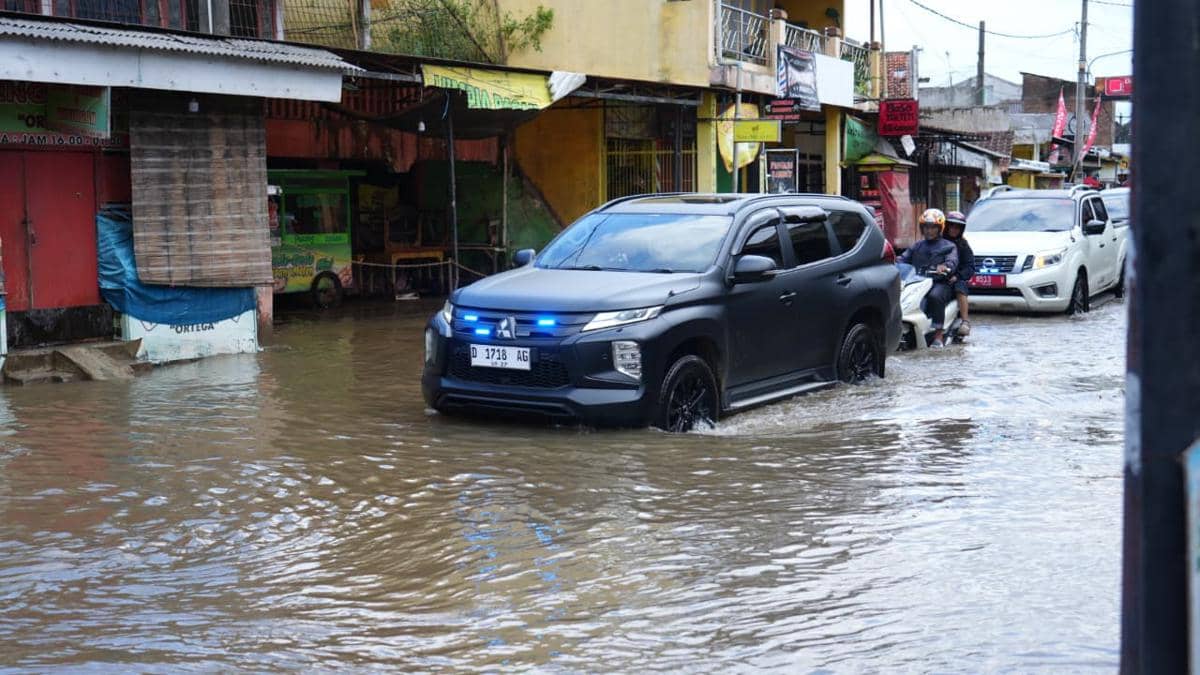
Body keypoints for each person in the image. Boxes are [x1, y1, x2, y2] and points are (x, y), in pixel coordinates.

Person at [898, 208, 959, 348]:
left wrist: (945, 266)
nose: (928, 231)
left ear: (939, 228)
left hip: (939, 283)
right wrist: (892, 262)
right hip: (918, 282)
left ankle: (938, 334)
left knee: (935, 296)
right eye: (926, 227)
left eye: (932, 227)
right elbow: (904, 258)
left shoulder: (949, 246)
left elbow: (952, 261)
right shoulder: (917, 245)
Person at [943, 210, 974, 337]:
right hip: (938, 277)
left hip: (956, 278)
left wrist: (957, 276)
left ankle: (965, 321)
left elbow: (970, 267)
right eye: (951, 226)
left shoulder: (963, 244)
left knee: (960, 288)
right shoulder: (938, 241)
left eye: (957, 227)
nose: (954, 229)